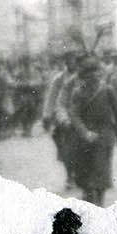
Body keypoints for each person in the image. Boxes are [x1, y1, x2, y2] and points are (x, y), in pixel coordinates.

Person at [68, 55, 117, 206]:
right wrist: (84, 132)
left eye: (97, 72)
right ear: (84, 76)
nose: (94, 77)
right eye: (89, 74)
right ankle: (89, 195)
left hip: (105, 133)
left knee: (102, 168)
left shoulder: (108, 90)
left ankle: (99, 200)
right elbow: (74, 114)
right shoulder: (79, 92)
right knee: (85, 168)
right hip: (85, 135)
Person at [41, 54, 79, 189]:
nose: (71, 63)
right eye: (69, 60)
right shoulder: (59, 79)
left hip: (82, 117)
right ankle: (70, 175)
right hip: (64, 117)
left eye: (74, 60)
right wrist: (47, 115)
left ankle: (78, 175)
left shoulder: (84, 76)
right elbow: (51, 98)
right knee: (65, 148)